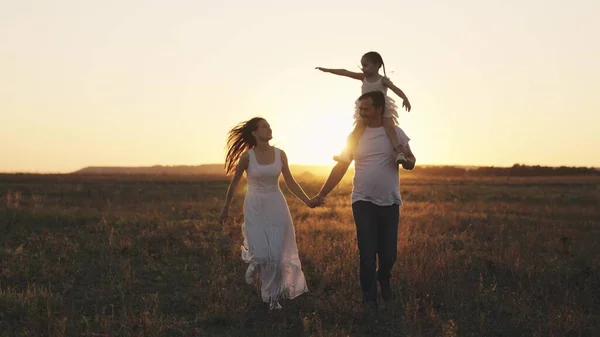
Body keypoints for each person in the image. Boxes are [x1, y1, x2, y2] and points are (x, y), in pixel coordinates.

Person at [310, 91, 415, 308]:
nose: (362, 112)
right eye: (360, 108)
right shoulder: (355, 137)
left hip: (390, 202)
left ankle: (384, 276)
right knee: (367, 253)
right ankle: (370, 301)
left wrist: (407, 161)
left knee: (389, 255)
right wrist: (322, 194)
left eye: (366, 108)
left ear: (379, 109)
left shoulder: (395, 133)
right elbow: (340, 167)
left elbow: (411, 161)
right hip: (362, 201)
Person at [219, 117, 310, 310]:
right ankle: (255, 263)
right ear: (254, 133)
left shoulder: (280, 155)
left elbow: (291, 182)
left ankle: (272, 298)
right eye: (264, 127)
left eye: (269, 126)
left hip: (276, 205)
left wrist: (308, 201)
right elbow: (234, 184)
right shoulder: (247, 157)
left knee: (276, 255)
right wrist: (225, 208)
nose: (269, 129)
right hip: (254, 206)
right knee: (263, 253)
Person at [316, 51, 414, 168]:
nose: (363, 69)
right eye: (362, 65)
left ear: (377, 65)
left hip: (382, 107)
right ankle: (346, 153)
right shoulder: (363, 77)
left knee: (390, 128)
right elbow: (345, 72)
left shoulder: (382, 80)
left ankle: (399, 153)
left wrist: (405, 98)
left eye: (366, 65)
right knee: (357, 130)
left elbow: (395, 88)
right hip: (366, 107)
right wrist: (327, 70)